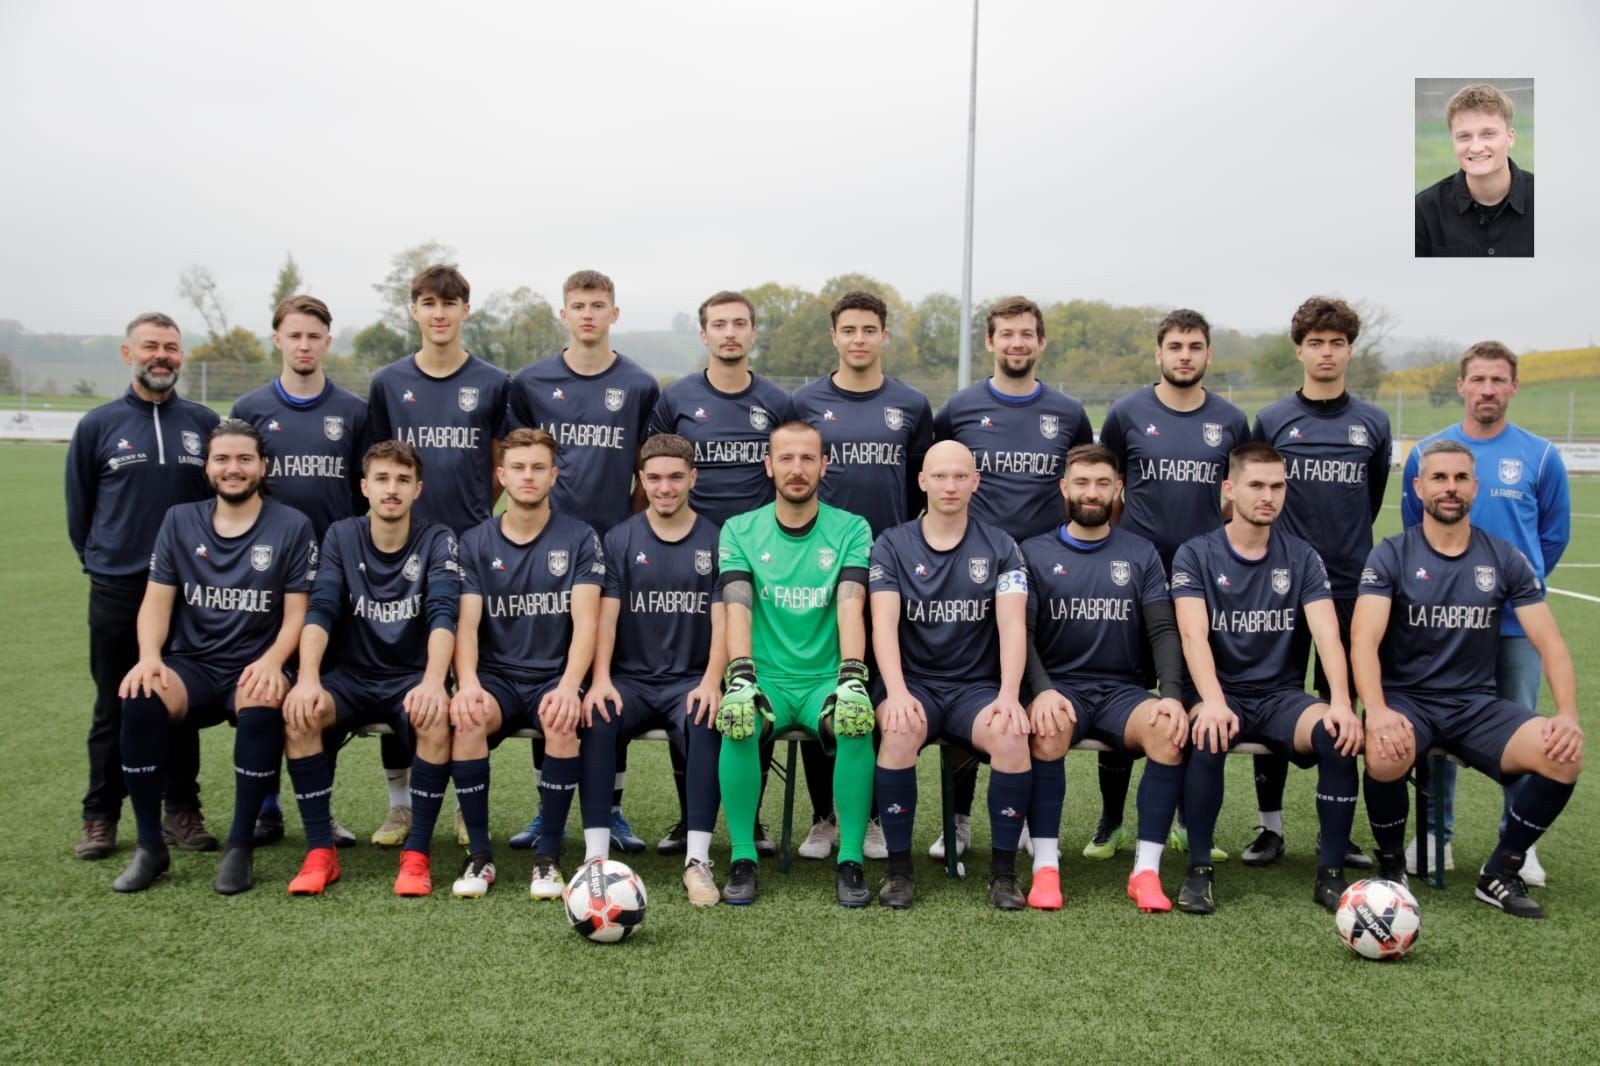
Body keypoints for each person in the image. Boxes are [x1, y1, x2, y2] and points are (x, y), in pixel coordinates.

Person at [1358, 440, 1581, 918]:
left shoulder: (1503, 557)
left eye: (1460, 478)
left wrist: (1567, 716)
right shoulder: (1391, 554)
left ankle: (1501, 869)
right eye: (1439, 478)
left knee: (1563, 757)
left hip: (1476, 706)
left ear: (1475, 487)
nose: (1450, 488)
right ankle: (1393, 866)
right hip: (1408, 701)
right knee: (1383, 751)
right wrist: (1376, 712)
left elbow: (1552, 644)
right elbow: (1364, 642)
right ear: (1418, 487)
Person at [110, 420, 316, 893]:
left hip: (257, 660)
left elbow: (297, 615)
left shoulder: (292, 524)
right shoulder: (180, 520)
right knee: (140, 698)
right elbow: (157, 600)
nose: (233, 468)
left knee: (263, 705)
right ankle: (149, 846)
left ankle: (240, 846)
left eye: (245, 459)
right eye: (222, 459)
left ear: (263, 467)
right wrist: (148, 657)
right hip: (194, 664)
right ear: (207, 467)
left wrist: (271, 662)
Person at [1400, 341, 1570, 883]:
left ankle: (1517, 842)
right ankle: (1435, 836)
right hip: (1441, 623)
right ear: (1462, 386)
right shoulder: (1427, 451)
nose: (1488, 389)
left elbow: (1552, 537)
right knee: (1436, 723)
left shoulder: (1541, 456)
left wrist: (1510, 587)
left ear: (1513, 387)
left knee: (1520, 731)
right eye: (1479, 379)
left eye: (1499, 380)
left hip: (1515, 625)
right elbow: (1414, 528)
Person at [1169, 443, 1362, 914]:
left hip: (1281, 699)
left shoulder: (1302, 557)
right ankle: (1199, 871)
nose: (1267, 496)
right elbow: (1193, 637)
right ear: (1230, 490)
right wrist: (1212, 701)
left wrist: (1340, 701)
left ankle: (1331, 874)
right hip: (1220, 693)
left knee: (1338, 735)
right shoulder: (1195, 554)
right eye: (1256, 485)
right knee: (1208, 734)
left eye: (1277, 486)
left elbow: (1328, 635)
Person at [931, 295, 1092, 861]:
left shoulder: (1068, 413)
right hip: (972, 570)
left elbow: (1083, 481)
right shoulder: (960, 407)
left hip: (1048, 572)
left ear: (1041, 343)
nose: (1017, 343)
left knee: (1026, 689)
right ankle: (958, 817)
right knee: (972, 685)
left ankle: (1022, 815)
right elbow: (933, 482)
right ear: (991, 343)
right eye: (1007, 334)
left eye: (1028, 334)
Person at [506, 269, 659, 853]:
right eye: (578, 305)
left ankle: (611, 808)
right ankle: (549, 813)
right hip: (548, 550)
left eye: (598, 305)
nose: (588, 314)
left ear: (614, 314)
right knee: (551, 675)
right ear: (563, 314)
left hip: (615, 551)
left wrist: (631, 532)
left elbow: (648, 469)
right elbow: (518, 458)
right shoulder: (532, 382)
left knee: (606, 681)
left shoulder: (640, 384)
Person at [1093, 308, 1248, 864]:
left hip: (1206, 583)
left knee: (1200, 696)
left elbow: (1237, 494)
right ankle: (1110, 821)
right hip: (1134, 580)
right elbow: (1108, 490)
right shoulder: (1127, 413)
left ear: (1208, 356)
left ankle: (1187, 821)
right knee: (1125, 690)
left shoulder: (1230, 421)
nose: (1185, 355)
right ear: (1158, 354)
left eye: (1195, 346)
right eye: (1175, 346)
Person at [66, 312, 219, 861]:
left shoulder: (202, 423)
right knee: (115, 703)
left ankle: (181, 809)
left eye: (172, 348)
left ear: (182, 356)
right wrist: (109, 563)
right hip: (118, 590)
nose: (162, 356)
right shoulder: (98, 425)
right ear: (128, 354)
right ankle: (101, 817)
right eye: (151, 346)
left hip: (185, 593)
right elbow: (80, 514)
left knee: (177, 705)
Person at [364, 265, 508, 847]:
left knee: (467, 675)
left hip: (472, 544)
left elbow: (500, 461)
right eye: (428, 302)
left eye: (450, 303)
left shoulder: (495, 382)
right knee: (402, 666)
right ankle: (401, 803)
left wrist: (474, 515)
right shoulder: (388, 381)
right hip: (403, 546)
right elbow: (379, 456)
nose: (439, 313)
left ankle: (463, 796)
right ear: (415, 310)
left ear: (466, 310)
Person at [789, 289, 933, 862]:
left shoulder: (912, 403)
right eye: (848, 330)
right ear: (834, 336)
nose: (858, 340)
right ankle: (825, 815)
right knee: (816, 682)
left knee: (871, 688)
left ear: (883, 336)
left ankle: (871, 815)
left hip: (888, 570)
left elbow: (921, 486)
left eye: (869, 330)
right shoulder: (804, 401)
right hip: (818, 566)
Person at [279, 440, 460, 896]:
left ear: (418, 489)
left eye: (402, 480)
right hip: (352, 676)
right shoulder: (341, 535)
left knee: (435, 716)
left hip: (410, 677)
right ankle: (320, 851)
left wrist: (435, 682)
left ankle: (417, 855)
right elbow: (320, 611)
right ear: (364, 487)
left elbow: (443, 613)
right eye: (382, 479)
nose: (392, 489)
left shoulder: (438, 537)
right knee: (301, 713)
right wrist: (306, 679)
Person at [1246, 297, 1389, 871]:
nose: (1325, 353)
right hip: (1281, 582)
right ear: (1299, 349)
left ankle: (1341, 830)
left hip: (1352, 585)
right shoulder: (1275, 420)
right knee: (1274, 692)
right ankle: (1270, 826)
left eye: (1336, 343)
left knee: (1344, 705)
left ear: (1349, 350)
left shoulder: (1373, 423)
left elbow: (1371, 498)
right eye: (1315, 343)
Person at [1020, 445, 1189, 912]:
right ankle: (1046, 868)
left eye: (1101, 484)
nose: (1090, 493)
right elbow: (1022, 634)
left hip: (1123, 694)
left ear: (1118, 489)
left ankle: (1146, 873)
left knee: (1168, 733)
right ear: (1064, 488)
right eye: (1081, 482)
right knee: (1048, 730)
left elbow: (1162, 629)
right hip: (1061, 689)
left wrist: (1171, 696)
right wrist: (1042, 690)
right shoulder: (1033, 553)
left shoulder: (1141, 553)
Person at [715, 420, 875, 907]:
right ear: (769, 466)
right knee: (739, 718)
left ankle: (850, 859)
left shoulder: (851, 528)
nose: (797, 469)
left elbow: (851, 603)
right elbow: (736, 605)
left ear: (824, 466)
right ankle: (743, 857)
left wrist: (852, 676)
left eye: (808, 458)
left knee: (854, 720)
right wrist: (740, 674)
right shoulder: (739, 530)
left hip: (825, 677)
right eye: (786, 458)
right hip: (768, 677)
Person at [871, 440, 1034, 910]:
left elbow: (1011, 625)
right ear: (922, 481)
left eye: (960, 476)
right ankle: (899, 872)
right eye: (939, 476)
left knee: (1009, 735)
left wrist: (1007, 695)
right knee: (899, 731)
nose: (950, 485)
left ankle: (1003, 874)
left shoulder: (1001, 546)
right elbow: (882, 623)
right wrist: (897, 691)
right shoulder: (892, 543)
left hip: (975, 689)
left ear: (975, 482)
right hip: (913, 683)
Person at [230, 294, 367, 847]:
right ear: (277, 340)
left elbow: (366, 493)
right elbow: (234, 487)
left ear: (327, 342)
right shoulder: (250, 407)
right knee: (262, 689)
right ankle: (266, 807)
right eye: (295, 335)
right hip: (268, 575)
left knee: (320, 695)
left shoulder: (354, 412)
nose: (304, 345)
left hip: (333, 575)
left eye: (315, 335)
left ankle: (320, 806)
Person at [447, 428, 605, 899]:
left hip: (551, 678)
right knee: (468, 719)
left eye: (538, 467)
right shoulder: (475, 542)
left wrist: (569, 686)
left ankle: (547, 859)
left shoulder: (579, 538)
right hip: (496, 678)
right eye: (518, 468)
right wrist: (469, 683)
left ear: (554, 475)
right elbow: (467, 625)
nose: (528, 476)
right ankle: (479, 856)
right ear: (501, 475)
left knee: (561, 722)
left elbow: (586, 623)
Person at [584, 434, 727, 904]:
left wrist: (711, 682)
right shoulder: (621, 537)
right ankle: (595, 861)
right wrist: (601, 680)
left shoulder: (716, 538)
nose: (664, 488)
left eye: (674, 477)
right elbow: (606, 618)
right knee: (601, 716)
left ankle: (697, 861)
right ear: (641, 480)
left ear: (693, 477)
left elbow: (724, 620)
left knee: (705, 718)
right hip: (632, 681)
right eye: (654, 478)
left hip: (689, 680)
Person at [645, 290, 792, 526]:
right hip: (691, 537)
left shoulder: (778, 401)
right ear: (704, 335)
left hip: (758, 540)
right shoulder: (675, 397)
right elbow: (654, 470)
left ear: (753, 334)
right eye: (719, 325)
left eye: (740, 324)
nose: (730, 333)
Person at [1416, 83, 1533, 257]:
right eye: (1464, 136)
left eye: (1488, 134)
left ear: (1510, 138)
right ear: (1453, 141)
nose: (1476, 148)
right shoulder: (1422, 213)